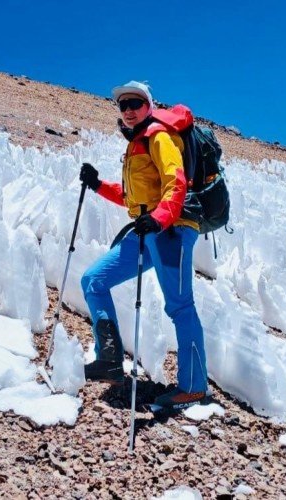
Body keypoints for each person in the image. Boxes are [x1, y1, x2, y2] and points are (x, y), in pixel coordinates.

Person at [78, 81, 208, 410]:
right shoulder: (135, 145)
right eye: (123, 106)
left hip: (172, 229)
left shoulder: (158, 137)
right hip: (146, 229)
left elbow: (175, 179)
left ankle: (194, 387)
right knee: (94, 281)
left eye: (135, 103)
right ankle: (108, 358)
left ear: (148, 106)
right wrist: (97, 185)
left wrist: (161, 218)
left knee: (180, 306)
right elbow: (133, 197)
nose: (129, 110)